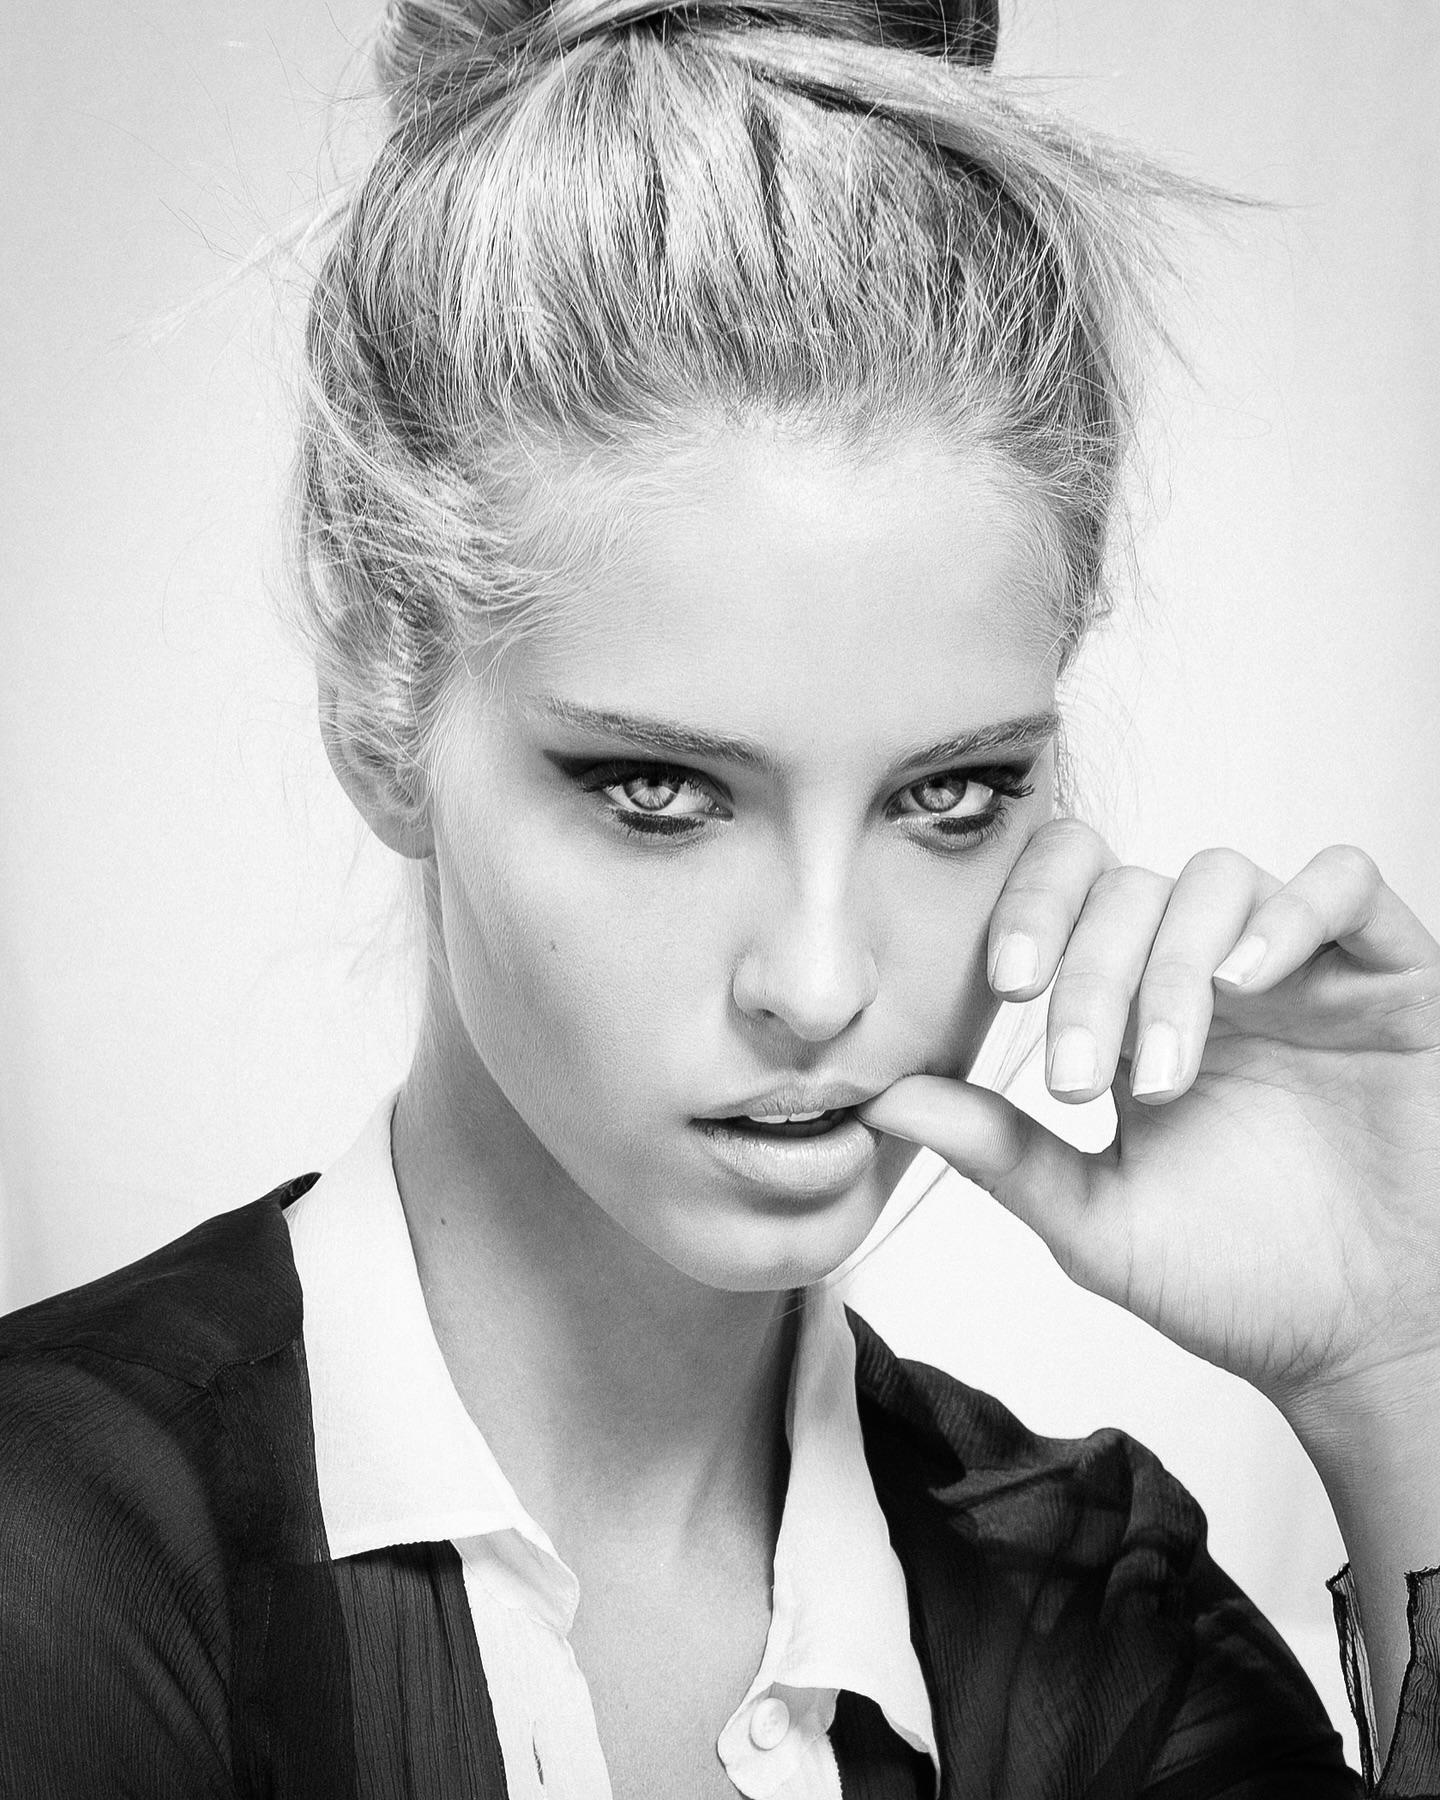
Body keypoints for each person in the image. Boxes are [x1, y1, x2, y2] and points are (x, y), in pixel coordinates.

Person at [2, 0, 1438, 1795]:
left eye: (950, 795)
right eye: (659, 792)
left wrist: (1400, 1371)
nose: (821, 983)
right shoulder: (52, 1555)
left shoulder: (1097, 1619)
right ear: (382, 705)